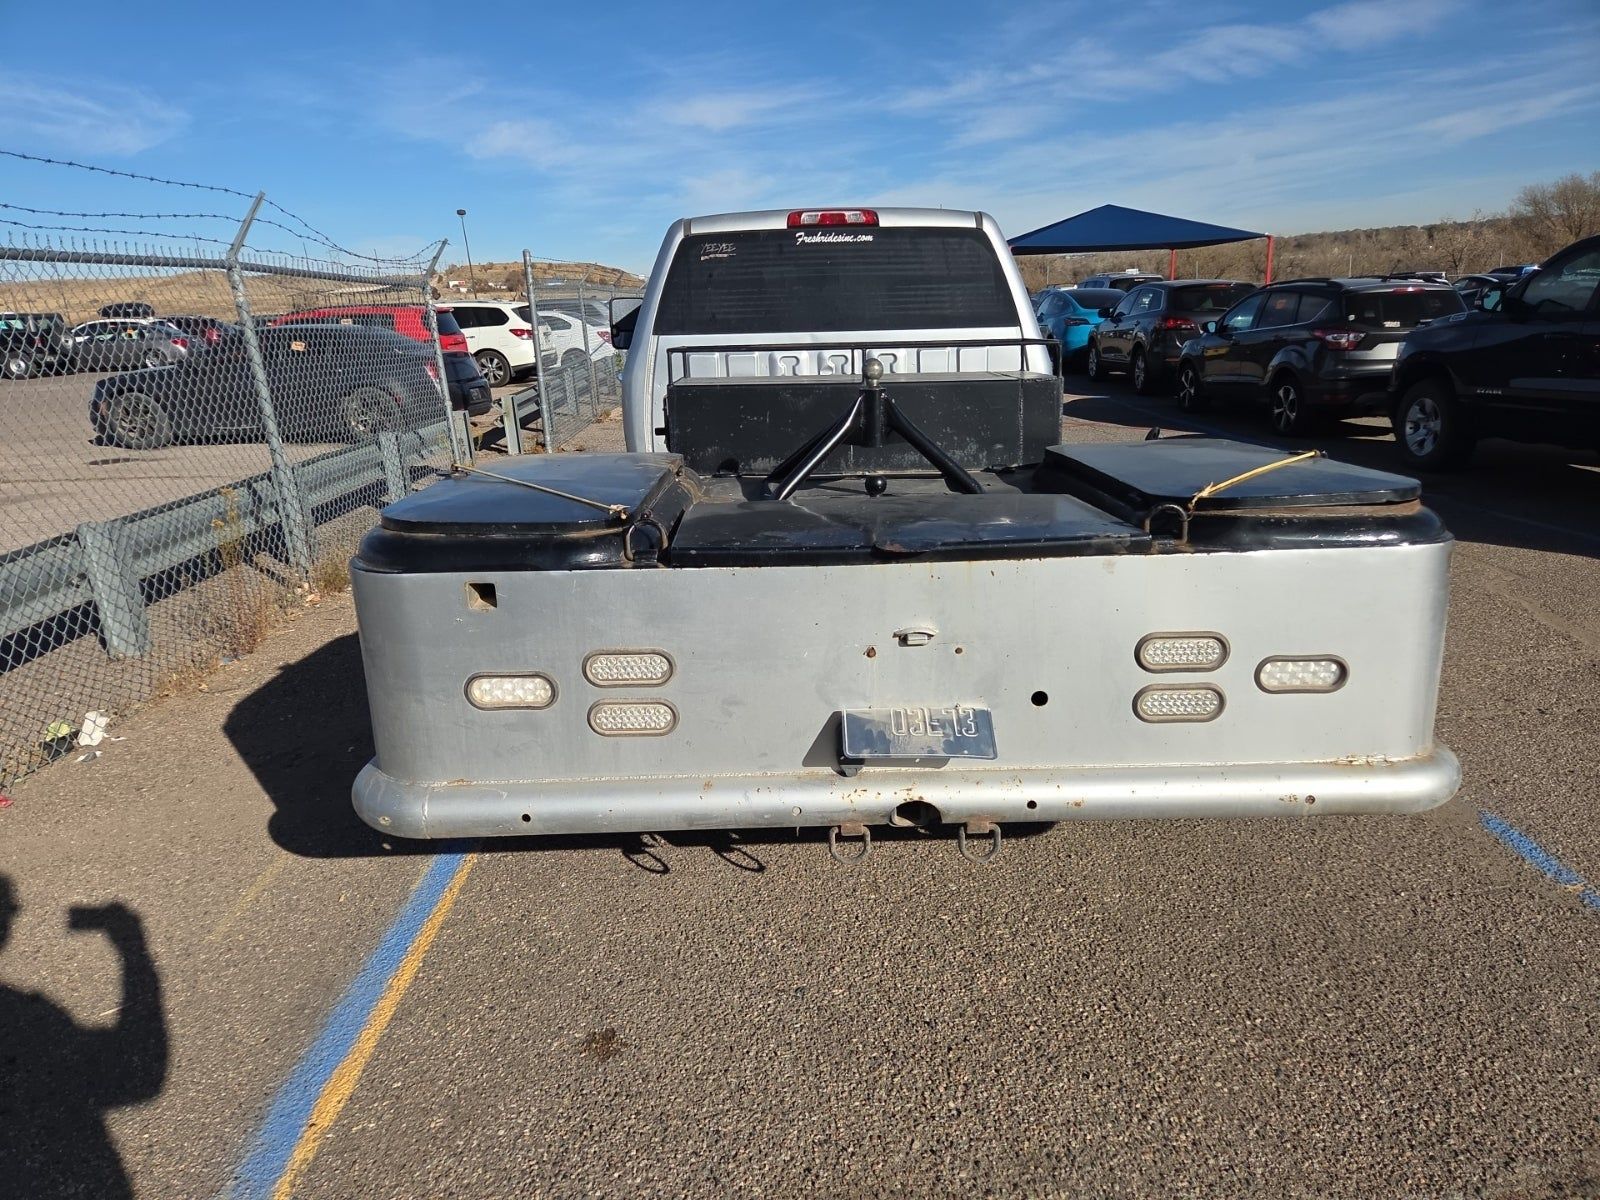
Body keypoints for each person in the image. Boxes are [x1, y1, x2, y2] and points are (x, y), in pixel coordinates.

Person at [0, 875, 168, 1199]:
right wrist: (131, 943)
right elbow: (141, 1078)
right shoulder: (27, 1012)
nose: (15, 910)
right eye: (8, 905)